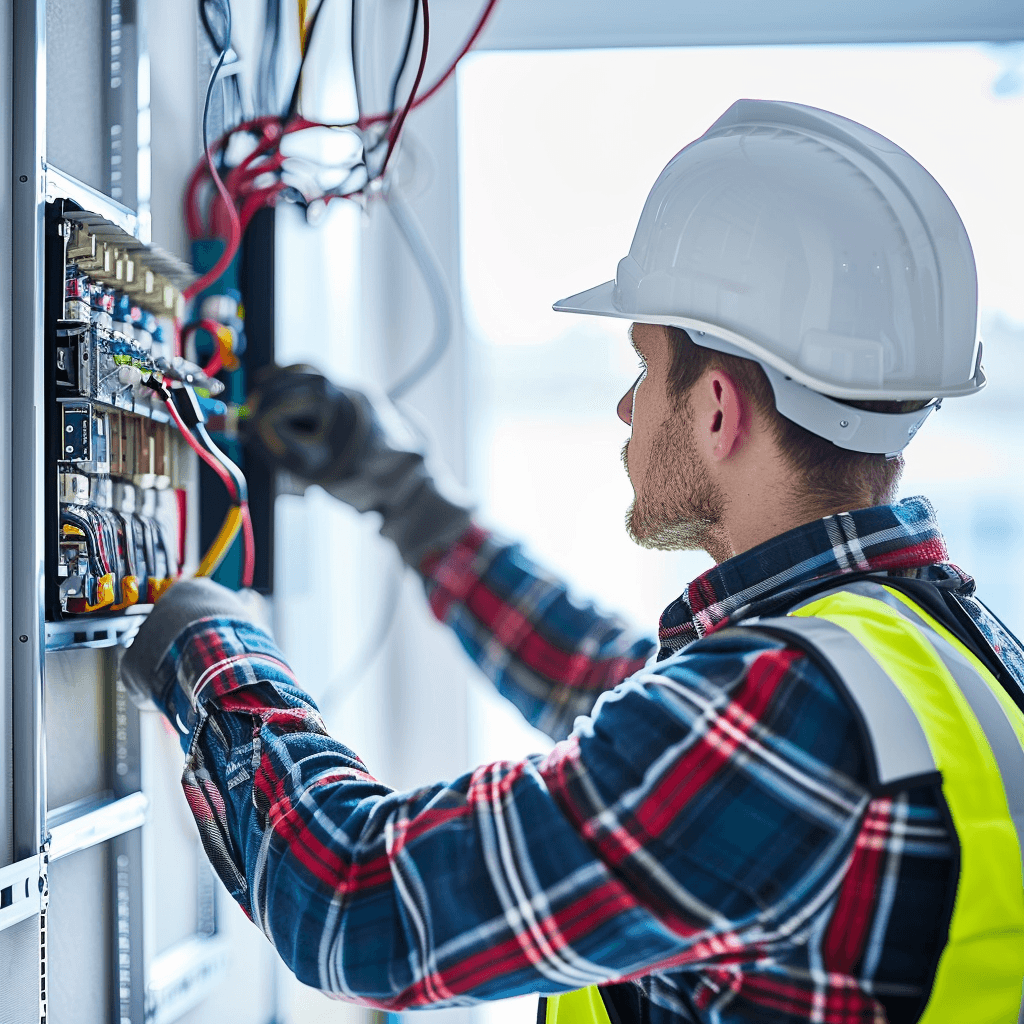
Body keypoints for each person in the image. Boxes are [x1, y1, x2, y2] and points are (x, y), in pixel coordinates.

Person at [121, 100, 1024, 1024]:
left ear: (718, 408)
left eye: (644, 367)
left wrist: (210, 645)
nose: (627, 408)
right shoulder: (940, 654)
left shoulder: (788, 707)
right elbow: (609, 687)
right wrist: (404, 498)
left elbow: (359, 906)